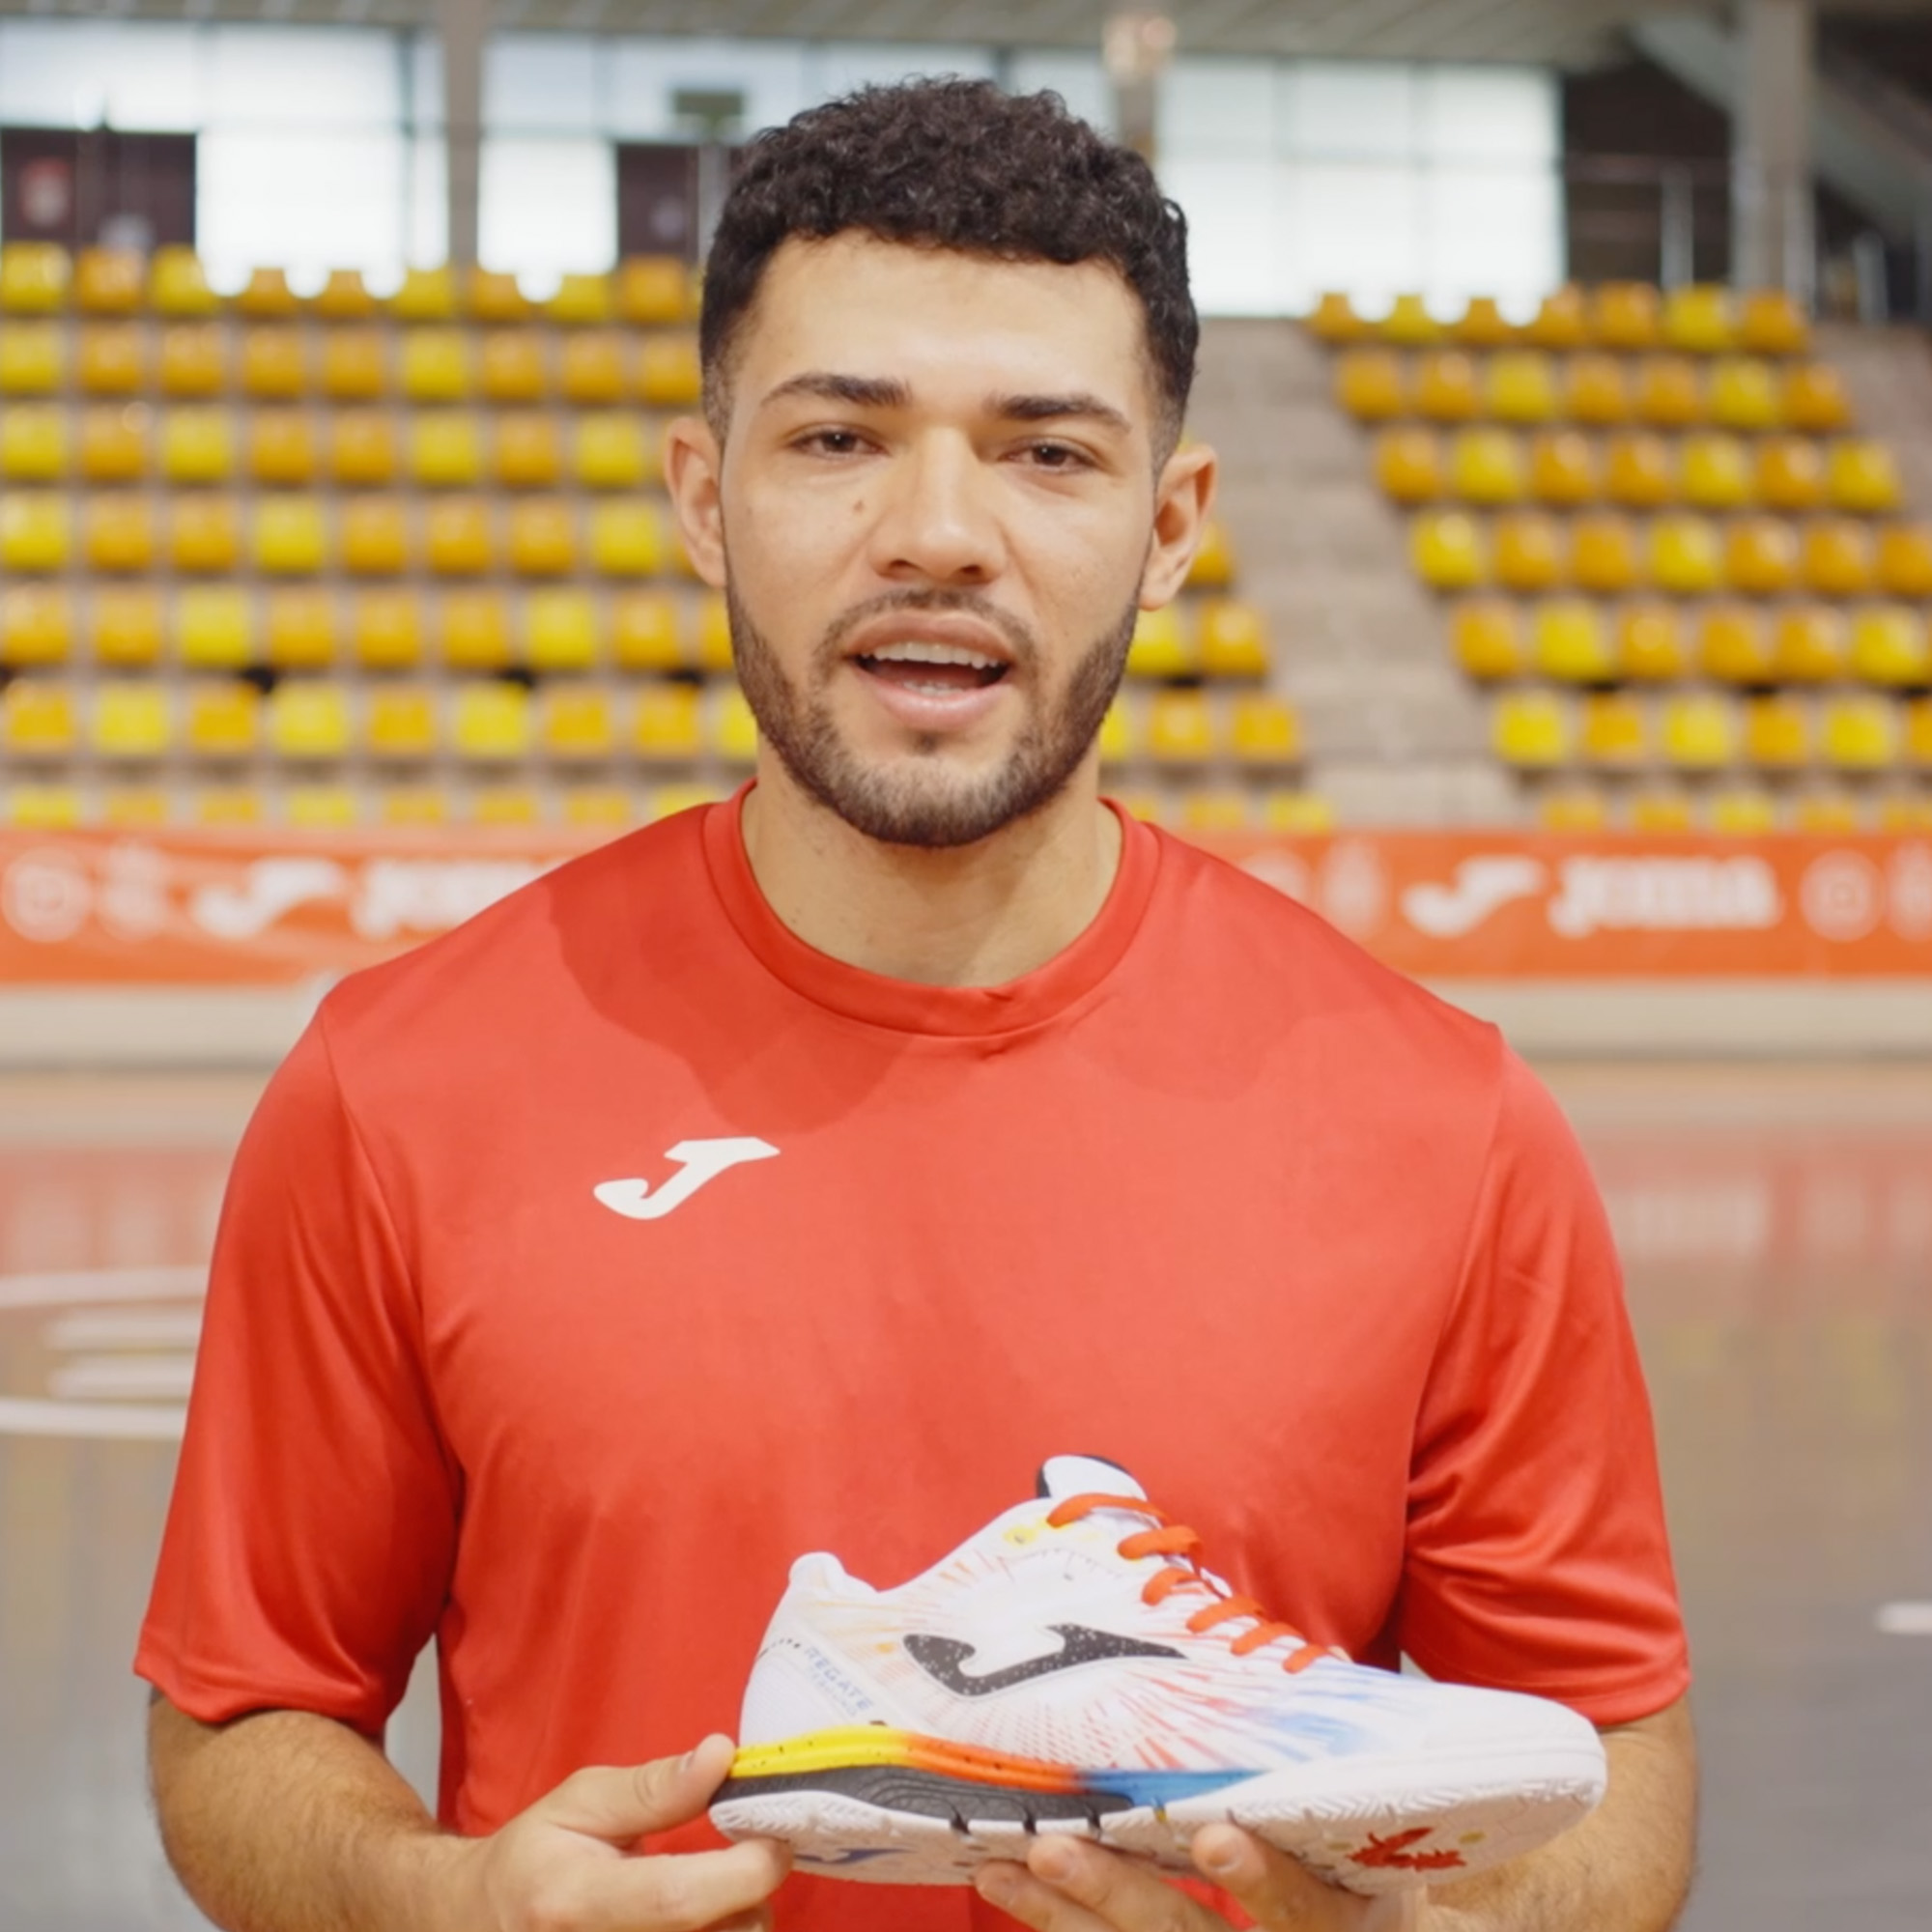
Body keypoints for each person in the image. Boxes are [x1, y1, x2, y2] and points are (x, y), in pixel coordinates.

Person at [139, 79, 1696, 1932]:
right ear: (705, 498)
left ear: (1172, 526)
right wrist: (435, 1903)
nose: (939, 531)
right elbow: (244, 1712)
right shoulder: (400, 1085)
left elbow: (1611, 1763)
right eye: (838, 439)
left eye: (1048, 453)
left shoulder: (1446, 1125)